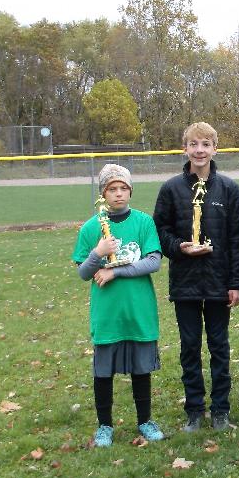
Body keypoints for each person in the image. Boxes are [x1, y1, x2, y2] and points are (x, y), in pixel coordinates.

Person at [153, 122, 239, 432]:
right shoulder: (171, 189)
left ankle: (221, 410)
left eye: (205, 144)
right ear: (185, 148)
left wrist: (236, 282)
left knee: (219, 347)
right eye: (193, 144)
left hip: (220, 282)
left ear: (214, 149)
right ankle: (194, 411)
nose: (199, 150)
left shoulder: (229, 189)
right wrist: (179, 247)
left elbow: (238, 240)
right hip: (186, 283)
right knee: (190, 347)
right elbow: (159, 232)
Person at [72, 164, 165, 447]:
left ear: (130, 191)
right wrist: (98, 253)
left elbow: (153, 262)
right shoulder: (92, 228)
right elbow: (83, 272)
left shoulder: (143, 222)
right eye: (112, 189)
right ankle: (104, 426)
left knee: (141, 369)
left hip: (138, 310)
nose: (118, 194)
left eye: (123, 188)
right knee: (103, 371)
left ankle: (145, 421)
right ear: (103, 193)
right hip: (108, 313)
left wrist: (115, 271)